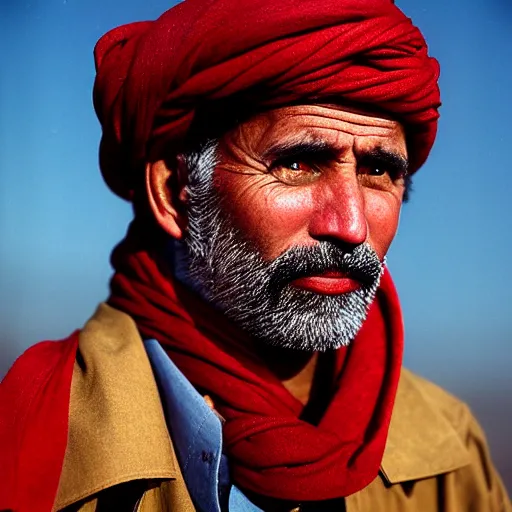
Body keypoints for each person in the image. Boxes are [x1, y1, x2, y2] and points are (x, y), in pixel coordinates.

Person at [0, 0, 510, 510]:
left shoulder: (451, 453)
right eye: (298, 163)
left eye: (378, 171)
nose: (351, 227)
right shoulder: (36, 431)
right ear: (175, 189)